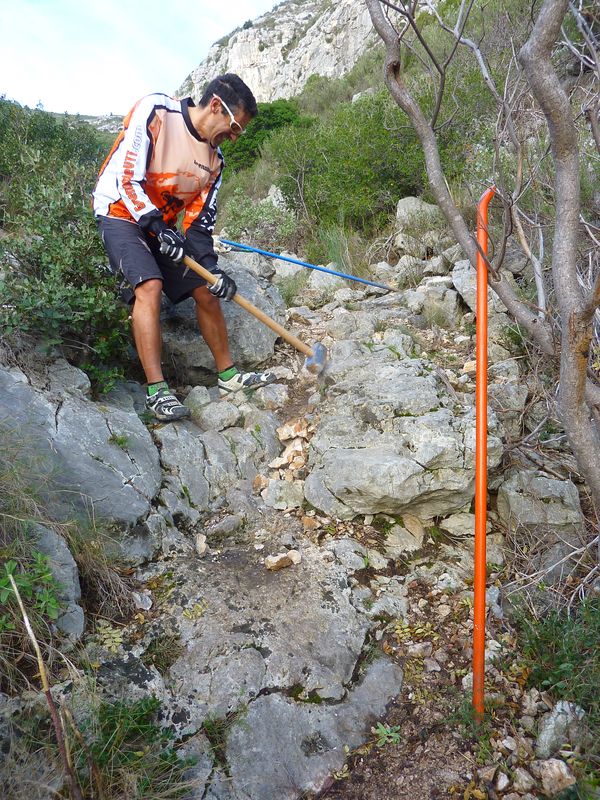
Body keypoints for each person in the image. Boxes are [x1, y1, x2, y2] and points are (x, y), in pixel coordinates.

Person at [93, 73, 275, 422]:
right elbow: (126, 179)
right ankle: (157, 392)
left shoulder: (215, 163)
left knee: (206, 291)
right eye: (235, 127)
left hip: (159, 227)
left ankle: (229, 377)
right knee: (150, 285)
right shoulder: (157, 112)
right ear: (217, 107)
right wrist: (156, 226)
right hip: (119, 211)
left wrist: (213, 270)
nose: (234, 138)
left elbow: (198, 224)